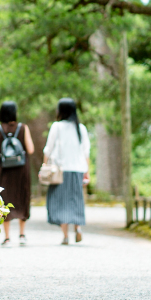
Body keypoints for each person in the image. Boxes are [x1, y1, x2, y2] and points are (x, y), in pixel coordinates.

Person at [43, 98, 90, 245]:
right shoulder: (80, 128)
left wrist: (44, 166)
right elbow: (86, 151)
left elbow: (48, 149)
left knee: (61, 201)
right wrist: (86, 171)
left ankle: (65, 235)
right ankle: (78, 228)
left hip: (60, 170)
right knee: (76, 200)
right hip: (77, 170)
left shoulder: (56, 127)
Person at [0, 101, 35, 247]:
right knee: (22, 197)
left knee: (4, 199)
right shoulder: (23, 128)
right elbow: (31, 149)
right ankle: (22, 234)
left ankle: (7, 237)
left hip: (3, 170)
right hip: (21, 170)